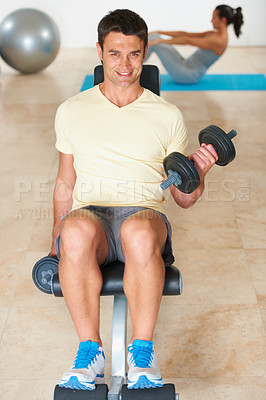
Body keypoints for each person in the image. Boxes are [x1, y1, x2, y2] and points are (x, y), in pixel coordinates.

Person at [51, 9, 218, 391]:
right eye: (114, 53)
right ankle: (89, 353)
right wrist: (54, 243)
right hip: (91, 218)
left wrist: (199, 175)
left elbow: (183, 198)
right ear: (99, 51)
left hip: (144, 215)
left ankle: (141, 355)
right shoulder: (72, 111)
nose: (124, 65)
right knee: (73, 229)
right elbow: (64, 183)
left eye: (134, 54)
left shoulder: (168, 115)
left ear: (145, 53)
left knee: (139, 230)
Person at [146, 5, 244, 84]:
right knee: (154, 36)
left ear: (223, 20)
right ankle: (135, 65)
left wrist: (160, 41)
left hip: (187, 75)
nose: (211, 20)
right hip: (185, 65)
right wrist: (160, 32)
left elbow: (187, 41)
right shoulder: (214, 34)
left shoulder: (219, 41)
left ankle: (134, 68)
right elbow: (186, 34)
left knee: (155, 42)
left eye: (214, 18)